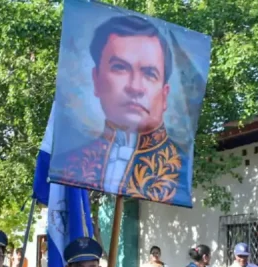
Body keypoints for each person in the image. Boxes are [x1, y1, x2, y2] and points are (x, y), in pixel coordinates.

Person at [49, 15, 191, 206]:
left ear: (165, 95)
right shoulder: (69, 165)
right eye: (120, 68)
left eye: (149, 73)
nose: (135, 87)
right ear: (96, 80)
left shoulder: (180, 170)